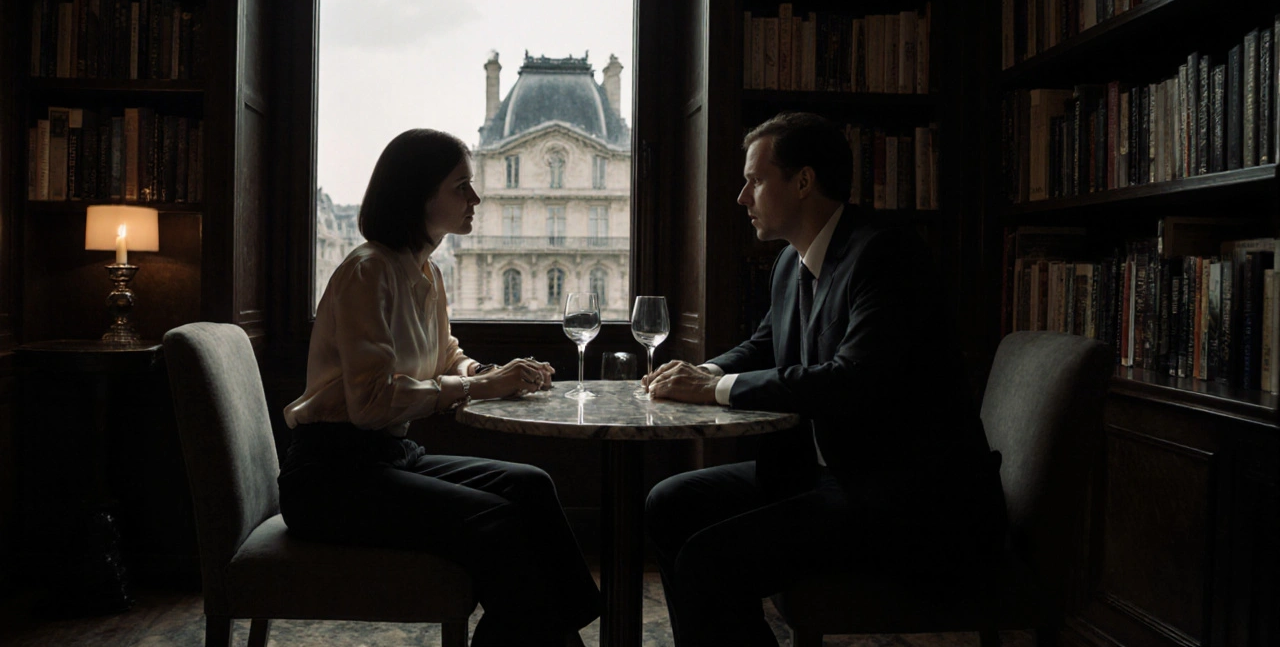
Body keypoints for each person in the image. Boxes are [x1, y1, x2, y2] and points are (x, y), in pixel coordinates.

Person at [642, 112, 1007, 647]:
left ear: (804, 182)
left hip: (908, 501)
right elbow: (766, 342)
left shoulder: (886, 254)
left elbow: (853, 380)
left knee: (708, 560)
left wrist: (712, 391)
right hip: (830, 475)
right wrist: (709, 370)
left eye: (756, 180)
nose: (743, 197)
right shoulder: (791, 262)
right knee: (668, 502)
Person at [278, 129, 600, 647]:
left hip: (386, 459)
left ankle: (551, 634)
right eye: (462, 187)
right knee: (496, 521)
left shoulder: (424, 271)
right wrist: (476, 389)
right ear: (420, 194)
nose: (475, 198)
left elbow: (445, 355)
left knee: (531, 484)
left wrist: (486, 373)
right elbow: (370, 405)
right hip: (330, 479)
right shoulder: (368, 272)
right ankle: (551, 637)